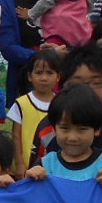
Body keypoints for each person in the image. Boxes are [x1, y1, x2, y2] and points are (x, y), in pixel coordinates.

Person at [29, 45, 102, 191]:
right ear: (63, 87)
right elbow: (35, 181)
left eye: (96, 83)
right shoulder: (49, 127)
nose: (87, 90)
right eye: (77, 83)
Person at [23, 84, 102, 203]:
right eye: (65, 128)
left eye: (82, 129)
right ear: (54, 128)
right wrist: (29, 179)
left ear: (97, 129)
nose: (72, 137)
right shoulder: (46, 164)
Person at [8, 48, 62, 177]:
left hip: (55, 167)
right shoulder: (22, 103)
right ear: (29, 76)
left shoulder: (62, 103)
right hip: (26, 167)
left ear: (58, 76)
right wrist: (20, 163)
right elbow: (16, 136)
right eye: (39, 72)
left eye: (49, 73)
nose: (44, 78)